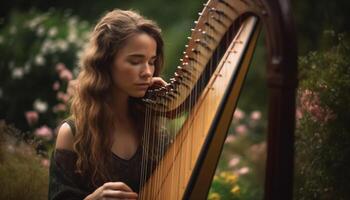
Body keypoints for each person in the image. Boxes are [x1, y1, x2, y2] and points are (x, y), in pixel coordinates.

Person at [48, 9, 167, 200]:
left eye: (151, 62)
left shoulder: (151, 128)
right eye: (135, 61)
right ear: (105, 63)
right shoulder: (73, 133)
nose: (147, 72)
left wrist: (168, 104)